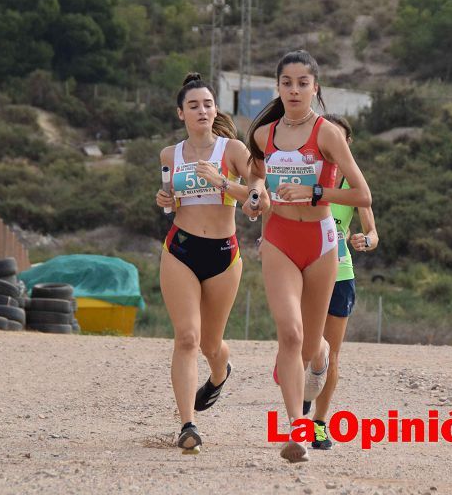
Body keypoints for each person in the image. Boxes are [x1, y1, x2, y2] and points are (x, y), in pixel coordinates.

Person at [243, 50, 372, 463]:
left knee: (312, 346)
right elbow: (257, 183)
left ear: (316, 87)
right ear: (277, 87)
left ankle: (318, 360)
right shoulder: (264, 135)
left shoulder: (328, 134)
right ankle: (297, 430)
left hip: (322, 240)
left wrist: (317, 192)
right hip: (279, 237)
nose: (295, 89)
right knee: (291, 334)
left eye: (303, 82)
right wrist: (255, 198)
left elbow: (362, 195)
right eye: (287, 82)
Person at [155, 72, 253, 455]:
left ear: (216, 110)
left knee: (212, 344)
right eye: (193, 105)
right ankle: (187, 425)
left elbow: (259, 195)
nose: (202, 110)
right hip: (179, 249)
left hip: (223, 255)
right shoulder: (169, 155)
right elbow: (170, 197)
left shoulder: (232, 151)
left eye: (208, 104)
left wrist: (222, 182)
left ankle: (219, 372)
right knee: (187, 338)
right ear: (181, 113)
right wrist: (165, 201)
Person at [307, 115, 379, 450]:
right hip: (303, 273)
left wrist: (367, 239)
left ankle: (319, 424)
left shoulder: (354, 184)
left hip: (340, 274)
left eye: (336, 136)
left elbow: (372, 230)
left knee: (331, 354)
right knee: (303, 349)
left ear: (346, 143)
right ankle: (300, 409)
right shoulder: (304, 175)